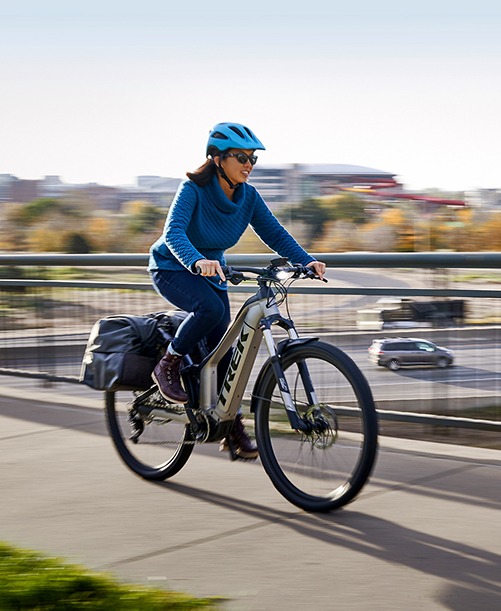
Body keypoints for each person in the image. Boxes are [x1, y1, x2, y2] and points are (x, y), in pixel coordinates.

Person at [148, 122, 326, 460]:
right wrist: (196, 261)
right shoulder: (193, 189)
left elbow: (274, 233)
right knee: (210, 312)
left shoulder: (248, 197)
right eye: (240, 157)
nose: (248, 164)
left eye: (252, 158)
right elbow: (173, 233)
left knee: (226, 353)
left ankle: (229, 427)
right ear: (217, 159)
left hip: (212, 272)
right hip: (173, 268)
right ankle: (167, 363)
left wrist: (306, 260)